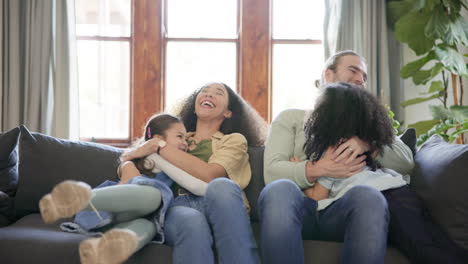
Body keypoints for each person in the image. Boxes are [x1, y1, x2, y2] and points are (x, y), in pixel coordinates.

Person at [259, 50, 466, 264]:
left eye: (364, 77)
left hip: (351, 205)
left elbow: (405, 161)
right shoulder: (291, 118)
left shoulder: (368, 123)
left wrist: (366, 144)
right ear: (328, 75)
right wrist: (320, 168)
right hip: (305, 208)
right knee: (279, 189)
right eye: (353, 70)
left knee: (370, 197)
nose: (360, 79)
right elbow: (274, 172)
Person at [121, 82, 266, 264]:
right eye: (204, 91)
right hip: (176, 207)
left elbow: (211, 175)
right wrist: (128, 166)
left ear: (228, 112)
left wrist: (160, 147)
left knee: (222, 185)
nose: (208, 94)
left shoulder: (234, 140)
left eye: (218, 93)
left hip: (217, 203)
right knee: (192, 222)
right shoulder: (176, 135)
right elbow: (136, 157)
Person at [39, 113, 206, 264]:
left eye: (186, 139)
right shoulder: (156, 155)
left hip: (136, 216)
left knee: (148, 228)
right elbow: (196, 187)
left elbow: (126, 159)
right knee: (155, 196)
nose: (185, 142)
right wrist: (217, 189)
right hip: (123, 202)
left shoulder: (138, 157)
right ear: (157, 139)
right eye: (180, 136)